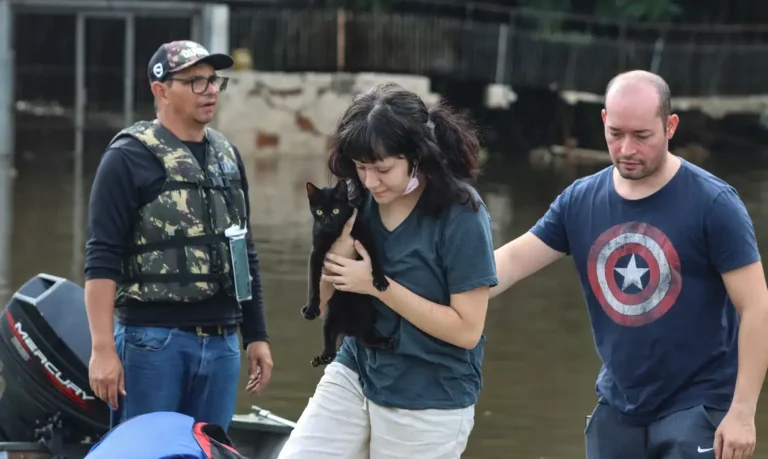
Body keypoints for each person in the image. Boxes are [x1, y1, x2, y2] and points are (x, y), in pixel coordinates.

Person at [491, 70, 768, 459]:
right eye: (616, 134)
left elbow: (756, 306)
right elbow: (509, 262)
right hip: (619, 404)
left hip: (699, 402)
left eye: (642, 136)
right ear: (604, 120)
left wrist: (742, 412)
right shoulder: (579, 200)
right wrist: (434, 288)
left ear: (670, 127)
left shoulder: (715, 204)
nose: (626, 149)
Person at [276, 83, 498, 459]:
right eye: (361, 167)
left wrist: (377, 286)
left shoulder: (462, 213)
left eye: (382, 169)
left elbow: (466, 331)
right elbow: (324, 304)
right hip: (357, 368)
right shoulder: (355, 199)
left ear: (417, 156)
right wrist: (337, 254)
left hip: (429, 392)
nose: (370, 181)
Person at [84, 40, 273, 431]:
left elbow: (244, 250)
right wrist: (102, 349)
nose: (210, 90)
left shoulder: (228, 156)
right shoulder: (126, 158)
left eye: (214, 80)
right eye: (195, 81)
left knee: (208, 451)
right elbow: (102, 258)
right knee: (147, 449)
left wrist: (256, 335)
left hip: (222, 343)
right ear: (161, 90)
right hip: (152, 343)